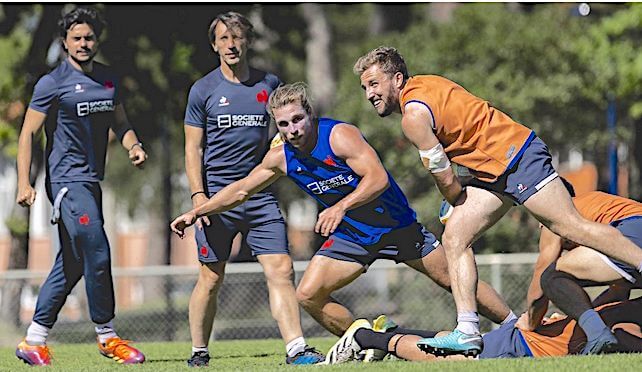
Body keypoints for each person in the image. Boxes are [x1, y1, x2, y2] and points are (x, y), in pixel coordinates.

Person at [172, 82, 516, 354]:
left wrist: (339, 207)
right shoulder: (281, 157)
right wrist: (196, 210)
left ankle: (515, 326)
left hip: (396, 227)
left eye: (297, 119)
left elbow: (378, 179)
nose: (292, 129)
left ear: (310, 115)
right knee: (307, 295)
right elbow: (242, 190)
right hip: (353, 236)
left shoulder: (338, 135)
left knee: (450, 279)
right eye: (284, 124)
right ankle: (373, 343)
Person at [353, 46, 642, 356]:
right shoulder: (429, 83)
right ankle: (467, 331)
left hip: (516, 161)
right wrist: (463, 191)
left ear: (397, 79)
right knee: (454, 238)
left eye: (374, 83)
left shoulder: (412, 117)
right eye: (364, 87)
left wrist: (454, 199)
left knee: (572, 227)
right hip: (497, 172)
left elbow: (446, 179)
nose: (369, 94)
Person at [182, 12, 323, 367]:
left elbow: (284, 131)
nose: (231, 44)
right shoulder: (203, 90)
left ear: (247, 41)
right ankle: (199, 350)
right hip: (217, 199)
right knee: (211, 278)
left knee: (281, 269)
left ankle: (296, 349)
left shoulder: (269, 83)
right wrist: (199, 197)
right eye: (224, 39)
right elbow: (192, 149)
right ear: (214, 45)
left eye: (238, 37)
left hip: (261, 197)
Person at [14, 7, 146, 366]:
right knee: (99, 252)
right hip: (67, 183)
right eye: (77, 38)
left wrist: (133, 145)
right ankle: (108, 337)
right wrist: (24, 182)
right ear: (65, 42)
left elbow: (121, 122)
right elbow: (28, 133)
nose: (84, 43)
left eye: (89, 37)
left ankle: (33, 340)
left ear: (96, 40)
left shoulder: (107, 79)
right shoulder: (51, 83)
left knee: (73, 263)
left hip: (91, 181)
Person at [517, 179, 642, 354]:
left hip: (634, 233)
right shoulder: (598, 207)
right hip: (633, 235)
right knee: (621, 314)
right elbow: (618, 292)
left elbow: (541, 274)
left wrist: (530, 321)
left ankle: (598, 336)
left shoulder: (556, 213)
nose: (539, 225)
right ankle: (599, 334)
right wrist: (578, 315)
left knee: (552, 276)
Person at [324, 296, 642, 364]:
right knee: (446, 359)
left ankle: (395, 330)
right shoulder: (630, 315)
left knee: (455, 344)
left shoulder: (624, 303)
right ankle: (365, 337)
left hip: (530, 340)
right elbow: (623, 334)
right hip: (526, 345)